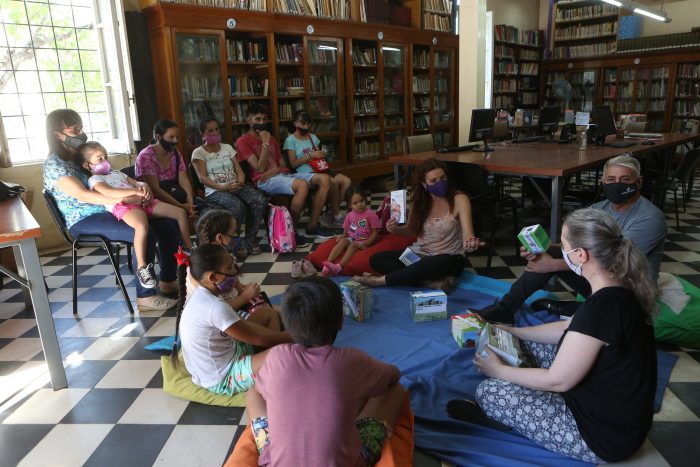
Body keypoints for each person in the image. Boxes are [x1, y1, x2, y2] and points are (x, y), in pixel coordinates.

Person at [448, 208, 658, 463]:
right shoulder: (616, 289)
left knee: (490, 391)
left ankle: (501, 417)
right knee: (521, 346)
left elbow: (558, 381)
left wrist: (497, 371)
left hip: (602, 437)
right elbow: (568, 328)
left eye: (564, 245)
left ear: (580, 255)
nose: (560, 250)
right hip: (616, 417)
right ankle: (520, 385)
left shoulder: (601, 308)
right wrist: (513, 331)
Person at [477, 154, 667, 325]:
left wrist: (553, 265)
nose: (617, 184)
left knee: (558, 263)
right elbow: (574, 244)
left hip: (629, 288)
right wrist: (544, 248)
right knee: (552, 252)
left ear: (639, 182)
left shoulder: (650, 218)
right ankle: (506, 308)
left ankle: (569, 309)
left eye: (625, 180)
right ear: (603, 181)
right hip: (601, 280)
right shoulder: (599, 208)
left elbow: (615, 260)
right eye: (611, 179)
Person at [247, 276, 406, 466]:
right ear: (340, 321)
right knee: (395, 390)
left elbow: (261, 390)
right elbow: (393, 376)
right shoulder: (352, 360)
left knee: (252, 393)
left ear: (287, 324)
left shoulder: (277, 356)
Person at [43, 109, 179, 311]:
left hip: (110, 209)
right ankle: (145, 296)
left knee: (167, 223)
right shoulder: (56, 165)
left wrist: (135, 190)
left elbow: (110, 178)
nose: (81, 133)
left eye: (82, 127)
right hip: (84, 219)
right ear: (57, 134)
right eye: (75, 129)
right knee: (141, 231)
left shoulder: (80, 156)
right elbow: (85, 195)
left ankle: (167, 280)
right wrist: (125, 197)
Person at [172, 243, 291, 396]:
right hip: (222, 377)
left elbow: (248, 329)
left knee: (268, 313)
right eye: (229, 268)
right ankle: (267, 362)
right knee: (286, 354)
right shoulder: (214, 307)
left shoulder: (201, 294)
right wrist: (291, 336)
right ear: (213, 277)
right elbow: (257, 337)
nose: (235, 272)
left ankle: (265, 359)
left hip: (227, 355)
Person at [353, 158, 483, 291]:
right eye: (434, 181)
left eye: (443, 178)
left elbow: (468, 235)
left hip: (448, 259)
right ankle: (430, 283)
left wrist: (471, 243)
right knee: (377, 259)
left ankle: (379, 281)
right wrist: (395, 229)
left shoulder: (460, 199)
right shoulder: (418, 201)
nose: (440, 183)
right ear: (424, 184)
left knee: (433, 263)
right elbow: (412, 230)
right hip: (419, 254)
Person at [77, 141, 192, 288]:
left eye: (105, 157)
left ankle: (187, 250)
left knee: (180, 213)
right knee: (142, 226)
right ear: (87, 165)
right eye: (99, 158)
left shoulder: (117, 173)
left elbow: (136, 183)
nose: (105, 161)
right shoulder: (94, 179)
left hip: (144, 202)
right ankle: (142, 268)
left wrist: (143, 186)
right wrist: (136, 192)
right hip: (125, 206)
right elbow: (110, 192)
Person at [235, 104, 334, 245]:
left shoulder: (273, 139)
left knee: (325, 179)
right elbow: (260, 168)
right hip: (263, 180)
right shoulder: (243, 141)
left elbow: (283, 165)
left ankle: (312, 225)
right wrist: (264, 143)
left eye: (264, 119)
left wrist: (275, 168)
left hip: (282, 175)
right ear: (248, 121)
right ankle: (290, 230)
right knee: (303, 185)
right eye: (257, 119)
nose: (262, 123)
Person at [192, 210, 285, 333]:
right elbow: (217, 312)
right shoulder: (200, 271)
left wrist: (243, 289)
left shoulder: (224, 258)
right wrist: (245, 296)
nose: (237, 235)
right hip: (224, 322)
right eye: (234, 232)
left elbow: (235, 287)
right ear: (220, 237)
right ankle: (275, 349)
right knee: (270, 314)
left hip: (236, 308)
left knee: (285, 312)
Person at [191, 116, 267, 258]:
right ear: (203, 135)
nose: (215, 133)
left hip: (235, 185)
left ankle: (249, 240)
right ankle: (233, 243)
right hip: (215, 190)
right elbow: (202, 178)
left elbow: (238, 170)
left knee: (259, 200)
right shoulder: (198, 152)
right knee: (237, 206)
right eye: (211, 131)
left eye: (217, 129)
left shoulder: (227, 148)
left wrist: (241, 181)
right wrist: (222, 187)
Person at [283, 110, 352, 228]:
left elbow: (319, 155)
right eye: (302, 123)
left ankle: (331, 212)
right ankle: (336, 215)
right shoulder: (291, 140)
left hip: (320, 168)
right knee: (333, 183)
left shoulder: (313, 137)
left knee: (346, 181)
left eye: (308, 124)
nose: (305, 127)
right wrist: (310, 155)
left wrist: (321, 154)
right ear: (295, 123)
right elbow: (293, 164)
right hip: (304, 172)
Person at [135, 119, 197, 219]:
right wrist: (180, 206)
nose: (175, 141)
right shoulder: (146, 156)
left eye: (177, 137)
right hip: (156, 202)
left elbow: (184, 180)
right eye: (171, 137)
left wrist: (190, 204)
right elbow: (155, 189)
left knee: (205, 211)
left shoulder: (175, 153)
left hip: (176, 195)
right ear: (158, 137)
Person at [322, 188, 380, 276]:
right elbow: (346, 228)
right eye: (355, 203)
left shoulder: (371, 214)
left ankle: (339, 267)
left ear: (365, 200)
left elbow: (375, 232)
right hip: (353, 238)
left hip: (365, 240)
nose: (359, 205)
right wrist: (343, 236)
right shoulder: (349, 215)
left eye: (361, 201)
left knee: (352, 246)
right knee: (343, 242)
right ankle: (328, 263)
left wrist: (367, 244)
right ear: (350, 205)